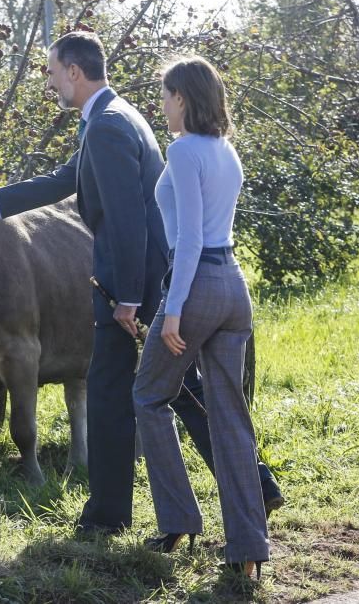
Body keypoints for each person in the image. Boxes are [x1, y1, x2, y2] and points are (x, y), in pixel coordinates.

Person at [0, 32, 280, 535]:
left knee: (110, 392)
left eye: (53, 71)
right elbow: (64, 180)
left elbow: (126, 220)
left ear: (75, 71)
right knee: (178, 391)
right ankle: (256, 485)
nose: (51, 80)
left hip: (131, 283)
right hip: (146, 279)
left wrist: (127, 297)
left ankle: (107, 516)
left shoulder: (108, 126)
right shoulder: (112, 118)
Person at [132, 56, 268, 577]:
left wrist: (171, 309)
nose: (162, 105)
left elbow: (188, 237)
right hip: (234, 285)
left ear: (182, 98)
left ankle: (179, 520)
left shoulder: (184, 149)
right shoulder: (225, 151)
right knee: (231, 418)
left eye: (166, 95)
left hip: (198, 286)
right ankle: (249, 554)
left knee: (149, 394)